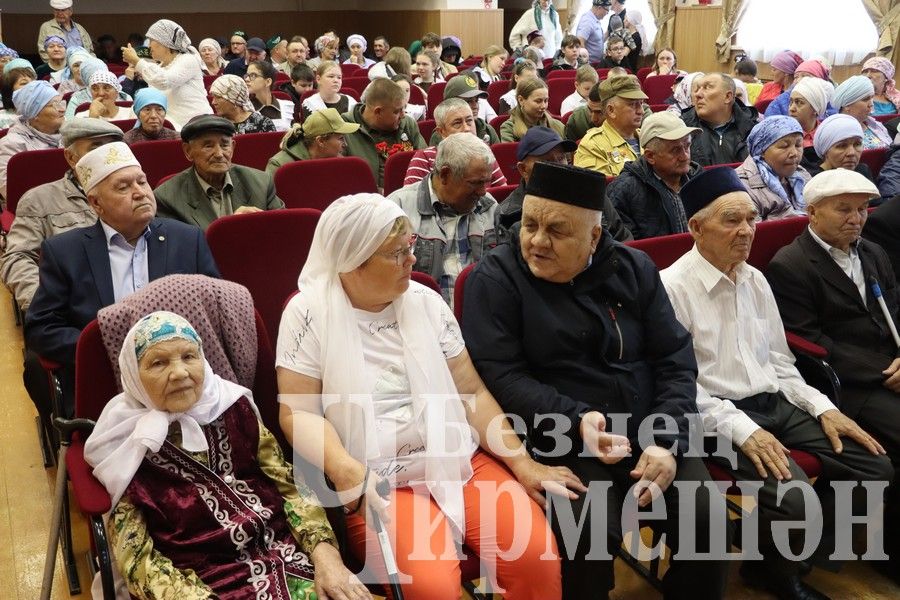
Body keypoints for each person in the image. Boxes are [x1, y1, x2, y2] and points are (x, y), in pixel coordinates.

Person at [277, 193, 575, 599]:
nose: (412, 262)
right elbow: (298, 413)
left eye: (410, 248)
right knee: (433, 587)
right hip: (375, 477)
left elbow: (471, 392)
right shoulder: (308, 314)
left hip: (457, 459)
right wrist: (345, 468)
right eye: (396, 254)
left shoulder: (426, 302)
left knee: (534, 557)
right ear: (353, 261)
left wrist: (521, 461)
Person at [463, 160, 729, 600]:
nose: (537, 241)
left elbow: (675, 359)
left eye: (556, 231)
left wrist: (667, 440)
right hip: (559, 436)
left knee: (707, 521)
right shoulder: (495, 278)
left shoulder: (634, 268)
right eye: (529, 225)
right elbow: (502, 377)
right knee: (584, 532)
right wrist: (577, 420)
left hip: (652, 428)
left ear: (594, 236)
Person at [662, 166, 892, 600]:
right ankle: (779, 569)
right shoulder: (672, 288)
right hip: (715, 416)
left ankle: (773, 557)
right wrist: (745, 431)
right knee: (796, 499)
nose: (747, 231)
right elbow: (681, 385)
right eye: (732, 220)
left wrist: (824, 408)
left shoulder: (755, 278)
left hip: (773, 400)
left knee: (872, 466)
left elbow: (781, 364)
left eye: (751, 219)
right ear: (695, 227)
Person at [83, 310, 368, 599]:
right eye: (158, 363)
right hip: (198, 584)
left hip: (285, 556)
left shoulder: (233, 406)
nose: (180, 372)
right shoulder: (123, 442)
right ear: (134, 374)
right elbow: (137, 559)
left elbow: (291, 489)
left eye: (189, 357)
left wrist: (326, 557)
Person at [767, 168, 900, 580]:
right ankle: (888, 552)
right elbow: (810, 344)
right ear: (812, 212)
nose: (856, 219)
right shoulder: (791, 264)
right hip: (845, 384)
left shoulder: (872, 252)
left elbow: (895, 310)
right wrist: (883, 369)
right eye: (844, 209)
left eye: (862, 210)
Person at [24, 141, 220, 412]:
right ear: (96, 203)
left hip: (184, 384)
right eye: (123, 187)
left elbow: (215, 314)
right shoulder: (65, 252)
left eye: (142, 182)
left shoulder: (187, 240)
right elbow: (41, 329)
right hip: (107, 390)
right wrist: (109, 351)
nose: (139, 192)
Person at [388, 134, 497, 302]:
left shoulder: (489, 205)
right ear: (445, 175)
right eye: (475, 183)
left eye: (487, 182)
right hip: (421, 314)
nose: (483, 191)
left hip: (480, 313)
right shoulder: (399, 208)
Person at [494, 126, 631, 244]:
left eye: (561, 158)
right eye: (546, 161)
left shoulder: (591, 193)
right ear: (523, 169)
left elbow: (623, 239)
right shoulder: (508, 214)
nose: (558, 167)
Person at [153, 115, 283, 230]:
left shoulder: (261, 183)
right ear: (188, 151)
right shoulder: (167, 198)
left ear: (233, 147)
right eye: (208, 146)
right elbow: (180, 250)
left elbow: (283, 233)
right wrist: (233, 227)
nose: (219, 154)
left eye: (224, 145)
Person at [607, 111, 702, 239]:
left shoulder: (700, 179)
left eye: (687, 146)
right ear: (650, 156)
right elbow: (627, 250)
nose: (685, 156)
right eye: (675, 150)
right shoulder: (623, 191)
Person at [121, 19, 213, 130]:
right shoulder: (159, 67)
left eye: (151, 41)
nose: (149, 46)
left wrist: (137, 61)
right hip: (173, 130)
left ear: (164, 42)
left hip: (200, 126)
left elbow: (165, 81)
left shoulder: (188, 59)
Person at [341, 78, 426, 190]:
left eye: (403, 108)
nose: (403, 115)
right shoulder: (344, 130)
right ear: (378, 111)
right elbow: (344, 180)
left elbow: (426, 163)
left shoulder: (408, 124)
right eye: (397, 111)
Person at [403, 98, 506, 188]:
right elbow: (411, 201)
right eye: (457, 123)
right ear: (441, 131)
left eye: (469, 121)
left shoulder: (485, 154)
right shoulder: (425, 158)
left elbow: (502, 197)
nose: (466, 128)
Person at [0, 81, 65, 203]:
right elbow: (11, 193)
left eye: (61, 103)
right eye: (54, 105)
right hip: (35, 209)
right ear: (35, 114)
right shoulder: (10, 144)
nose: (62, 109)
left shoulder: (69, 135)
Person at [735, 116, 810, 220]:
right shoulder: (741, 187)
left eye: (798, 145)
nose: (794, 153)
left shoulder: (802, 175)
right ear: (761, 151)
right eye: (784, 146)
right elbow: (752, 231)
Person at [574, 75, 646, 176]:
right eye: (633, 104)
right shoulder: (593, 145)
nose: (641, 111)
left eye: (641, 103)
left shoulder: (649, 139)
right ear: (611, 110)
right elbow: (603, 190)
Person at [680, 72, 758, 167]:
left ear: (727, 97)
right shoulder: (682, 128)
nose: (698, 94)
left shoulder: (754, 129)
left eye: (707, 87)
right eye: (697, 89)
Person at [266, 108, 360, 174]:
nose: (346, 144)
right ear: (320, 141)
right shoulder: (280, 166)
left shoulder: (339, 161)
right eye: (340, 138)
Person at [800, 113, 872, 183]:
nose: (851, 153)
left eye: (857, 144)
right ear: (825, 151)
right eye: (842, 146)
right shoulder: (814, 181)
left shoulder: (862, 173)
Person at [434, 74, 500, 144]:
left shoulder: (487, 130)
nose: (475, 106)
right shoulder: (440, 135)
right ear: (451, 103)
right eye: (468, 101)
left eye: (476, 100)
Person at [832, 75, 892, 150]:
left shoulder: (876, 125)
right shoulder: (835, 132)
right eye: (865, 99)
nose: (871, 104)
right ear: (847, 105)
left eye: (872, 98)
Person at [764, 59, 834, 118]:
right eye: (796, 77)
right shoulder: (781, 101)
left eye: (805, 76)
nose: (799, 80)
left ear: (819, 80)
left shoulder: (828, 105)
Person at [500, 78, 563, 142]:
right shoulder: (509, 128)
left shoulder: (557, 125)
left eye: (546, 101)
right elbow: (509, 151)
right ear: (521, 100)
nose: (543, 106)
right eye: (538, 101)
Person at [209, 74, 276, 134]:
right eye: (213, 97)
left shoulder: (263, 123)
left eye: (218, 97)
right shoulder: (214, 126)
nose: (213, 102)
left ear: (234, 99)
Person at [245, 60, 293, 131]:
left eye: (253, 75)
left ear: (268, 82)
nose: (246, 79)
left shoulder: (286, 106)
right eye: (247, 75)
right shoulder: (245, 109)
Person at [788, 76, 833, 148]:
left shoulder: (827, 135)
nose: (791, 108)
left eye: (799, 102)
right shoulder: (783, 135)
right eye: (791, 102)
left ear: (815, 109)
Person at [0, 60, 37, 129]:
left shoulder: (42, 114)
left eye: (33, 82)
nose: (32, 86)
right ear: (9, 90)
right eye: (24, 83)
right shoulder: (2, 118)